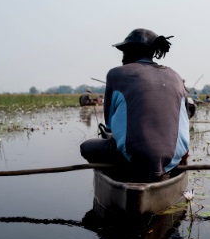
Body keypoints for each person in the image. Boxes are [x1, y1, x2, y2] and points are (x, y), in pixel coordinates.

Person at [80, 28, 194, 182]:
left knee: (86, 147)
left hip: (135, 158)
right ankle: (164, 174)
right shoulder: (176, 76)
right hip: (171, 159)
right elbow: (185, 117)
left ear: (131, 51)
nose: (122, 57)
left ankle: (121, 174)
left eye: (124, 52)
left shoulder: (115, 74)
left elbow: (109, 127)